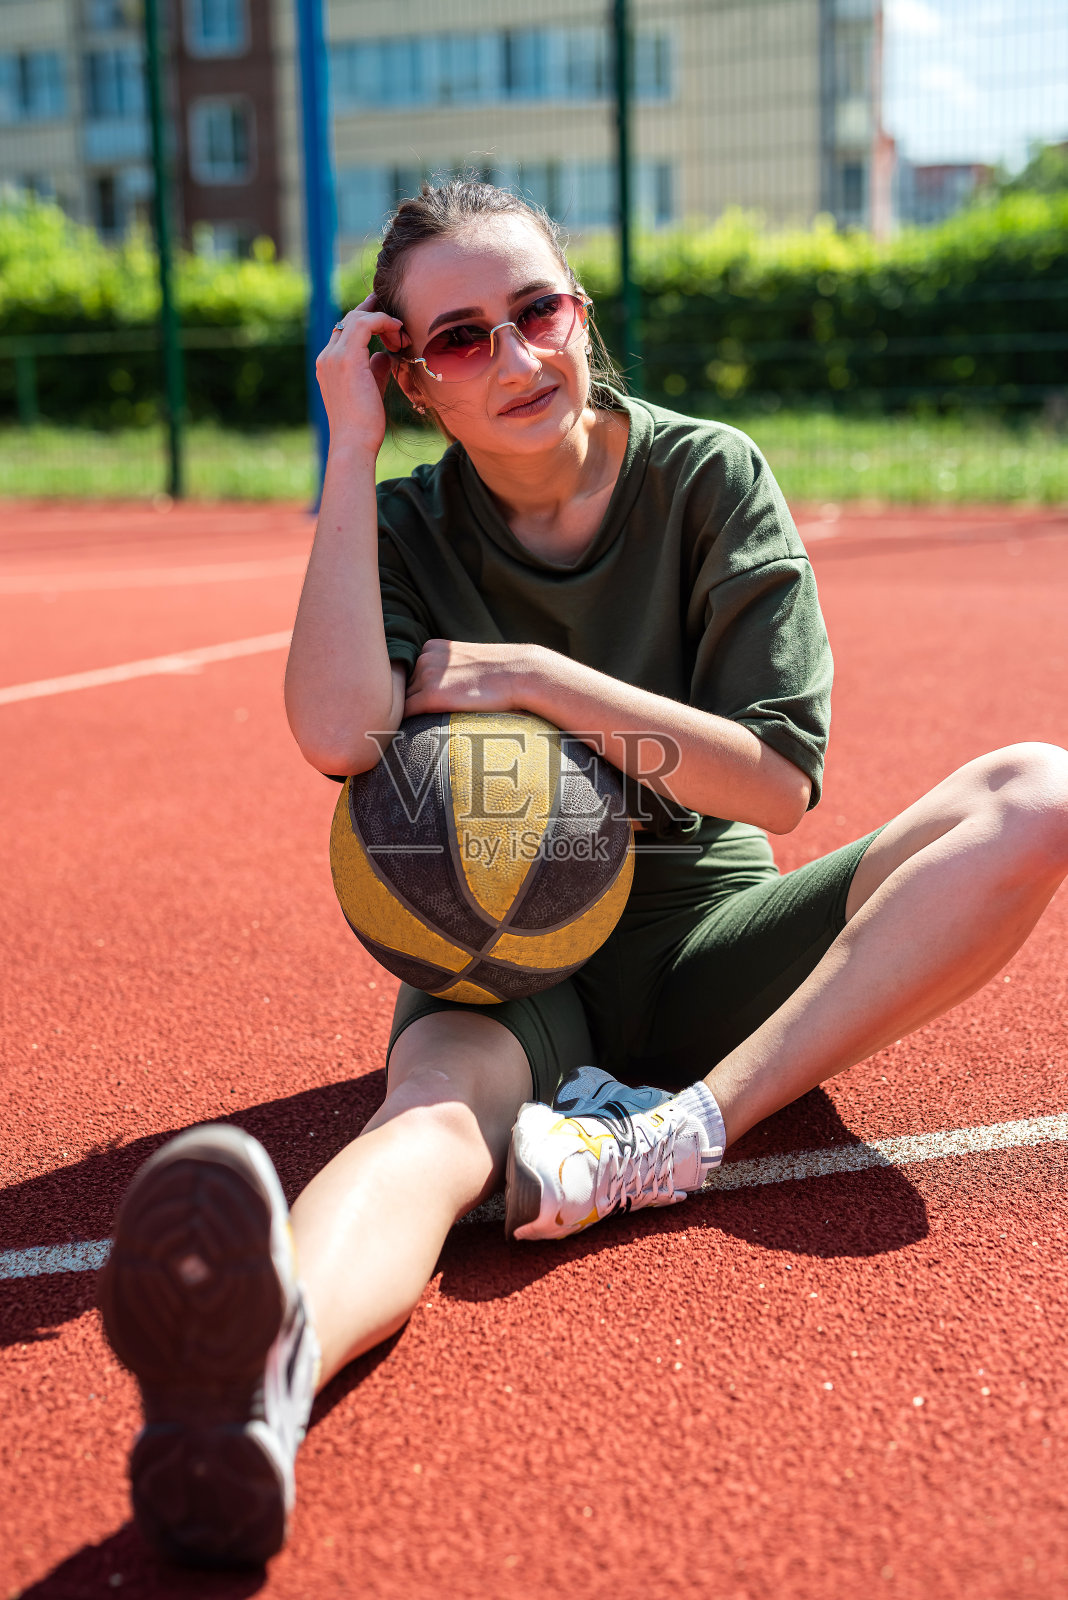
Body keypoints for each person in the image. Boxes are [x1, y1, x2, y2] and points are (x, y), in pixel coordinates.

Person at [98, 178, 1068, 1568]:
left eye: (535, 310)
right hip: (501, 950)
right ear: (410, 375)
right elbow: (333, 729)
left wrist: (538, 679)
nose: (514, 356)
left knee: (1040, 789)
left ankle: (676, 1135)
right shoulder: (415, 521)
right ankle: (262, 1385)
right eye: (458, 340)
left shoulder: (704, 475)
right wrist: (351, 444)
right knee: (428, 1124)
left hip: (711, 933)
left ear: (581, 315)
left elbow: (778, 779)